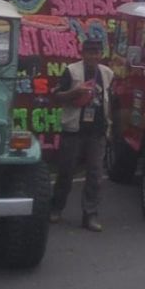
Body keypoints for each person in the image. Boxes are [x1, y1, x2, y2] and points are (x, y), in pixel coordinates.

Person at [50, 37, 114, 231]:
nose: (93, 56)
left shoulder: (107, 73)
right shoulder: (72, 71)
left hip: (97, 131)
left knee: (95, 175)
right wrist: (75, 92)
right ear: (82, 53)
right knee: (66, 172)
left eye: (96, 53)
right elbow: (56, 97)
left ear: (101, 55)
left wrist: (109, 126)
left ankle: (90, 215)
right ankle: (56, 207)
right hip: (74, 129)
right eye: (89, 53)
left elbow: (108, 100)